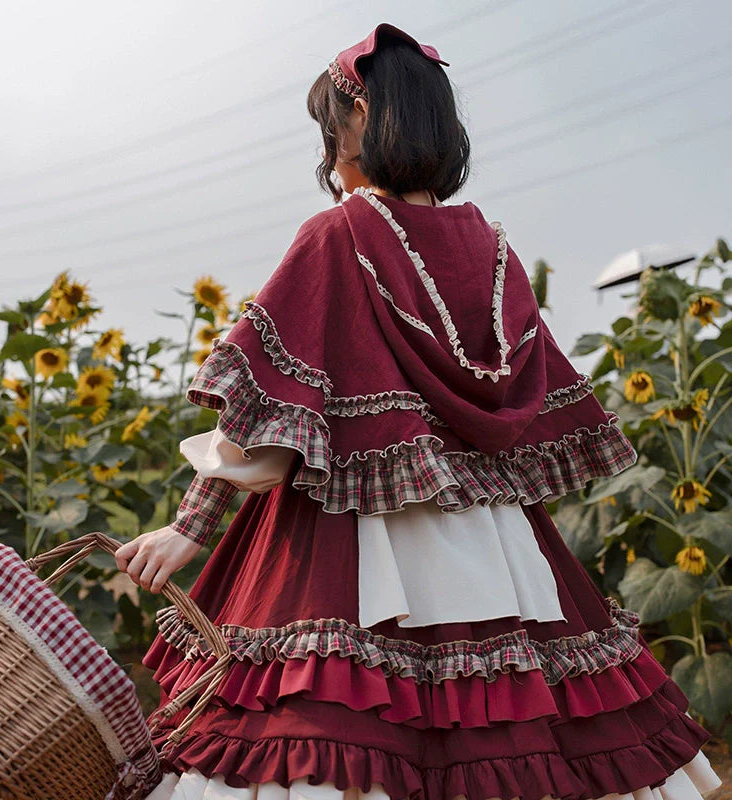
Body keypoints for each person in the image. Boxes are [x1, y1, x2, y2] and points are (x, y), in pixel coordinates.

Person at [118, 22, 723, 800]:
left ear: (362, 124)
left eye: (329, 131)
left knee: (320, 734)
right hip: (498, 552)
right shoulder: (495, 252)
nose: (328, 153)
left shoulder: (339, 236)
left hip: (344, 546)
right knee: (519, 732)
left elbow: (273, 404)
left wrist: (188, 527)